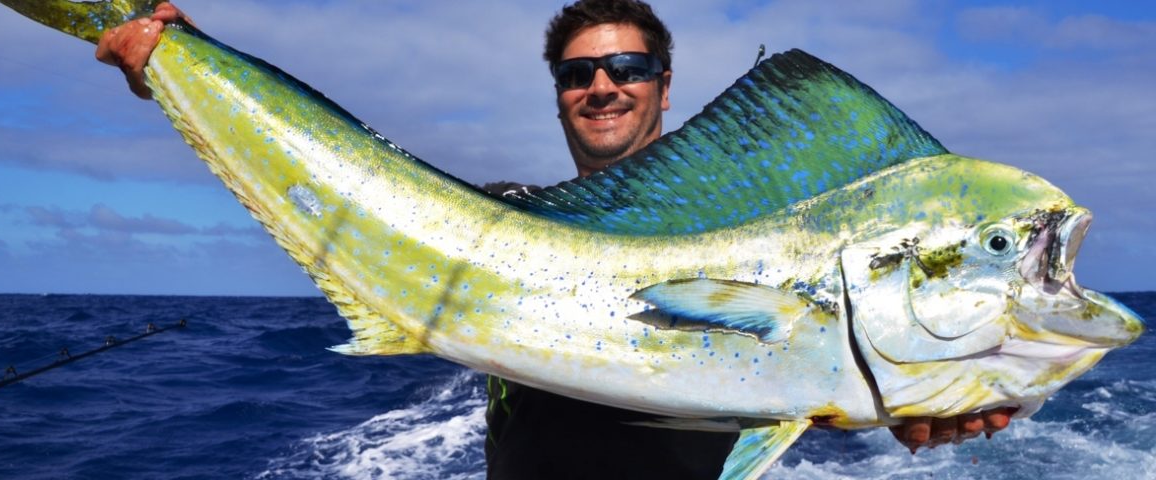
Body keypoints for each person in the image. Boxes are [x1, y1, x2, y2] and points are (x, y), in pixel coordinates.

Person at [97, 1, 1017, 477]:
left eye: (626, 67)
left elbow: (850, 369)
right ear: (557, 91)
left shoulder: (759, 246)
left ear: (663, 83)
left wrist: (923, 400)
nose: (602, 85)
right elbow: (355, 176)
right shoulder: (504, 217)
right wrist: (184, 60)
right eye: (578, 72)